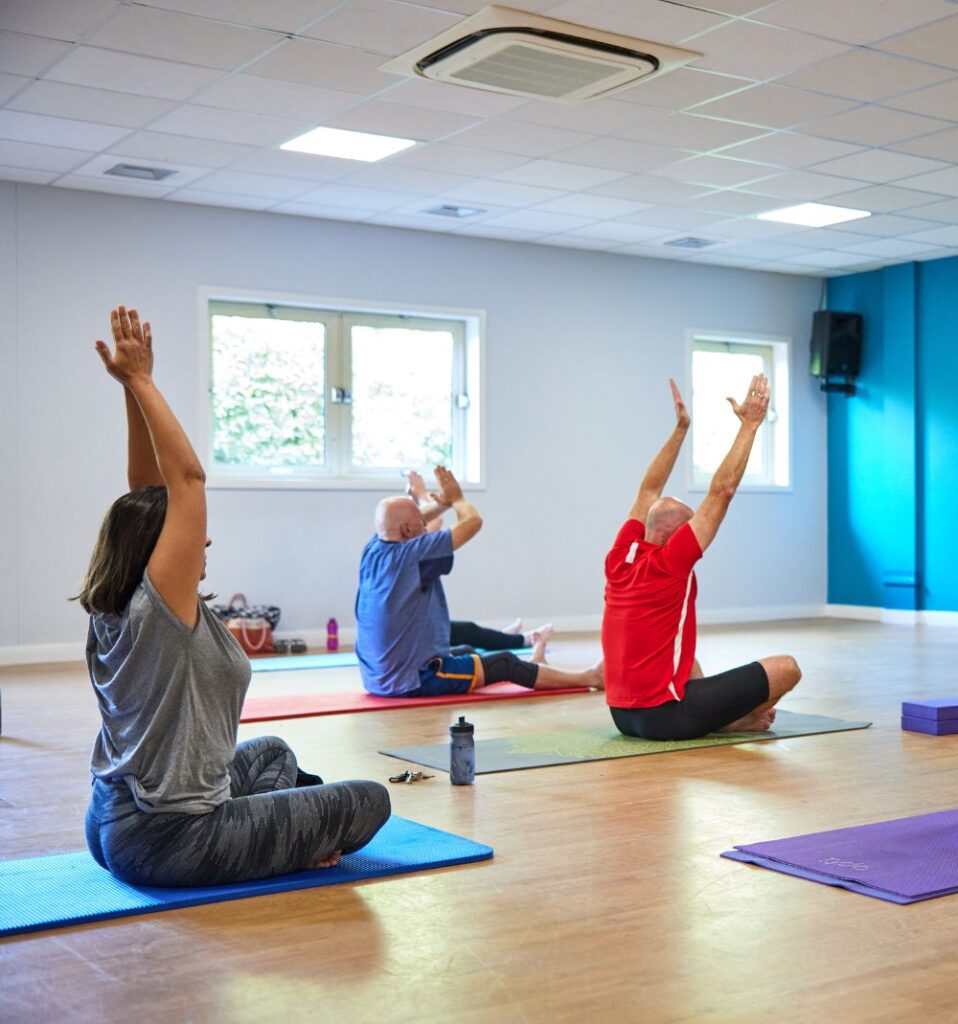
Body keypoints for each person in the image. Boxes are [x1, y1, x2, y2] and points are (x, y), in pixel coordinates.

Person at [78, 306, 390, 887]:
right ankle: (294, 840)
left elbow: (149, 492)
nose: (204, 539)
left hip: (111, 822)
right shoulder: (159, 611)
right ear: (156, 550)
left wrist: (129, 390)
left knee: (274, 753)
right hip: (170, 839)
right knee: (370, 800)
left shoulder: (117, 605)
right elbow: (186, 482)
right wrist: (144, 381)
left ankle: (288, 829)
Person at [601, 376, 801, 741]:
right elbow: (722, 491)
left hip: (622, 716)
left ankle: (714, 716)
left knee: (680, 653)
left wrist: (680, 430)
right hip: (664, 717)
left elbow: (648, 489)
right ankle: (729, 722)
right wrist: (750, 425)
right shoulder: (669, 564)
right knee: (787, 668)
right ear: (675, 535)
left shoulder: (621, 557)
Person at [355, 465, 603, 697]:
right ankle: (591, 677)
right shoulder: (414, 555)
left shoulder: (374, 549)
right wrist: (459, 500)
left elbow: (415, 519)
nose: (425, 522)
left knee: (466, 651)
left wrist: (444, 503)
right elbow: (473, 522)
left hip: (378, 677)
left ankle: (537, 669)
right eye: (420, 522)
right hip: (413, 679)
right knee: (504, 663)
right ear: (409, 530)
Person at [404, 469, 554, 655]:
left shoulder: (379, 548)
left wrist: (438, 501)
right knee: (468, 649)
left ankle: (503, 638)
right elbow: (461, 521)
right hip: (411, 646)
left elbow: (418, 523)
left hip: (409, 635)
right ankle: (525, 640)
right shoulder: (408, 554)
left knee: (467, 629)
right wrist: (449, 499)